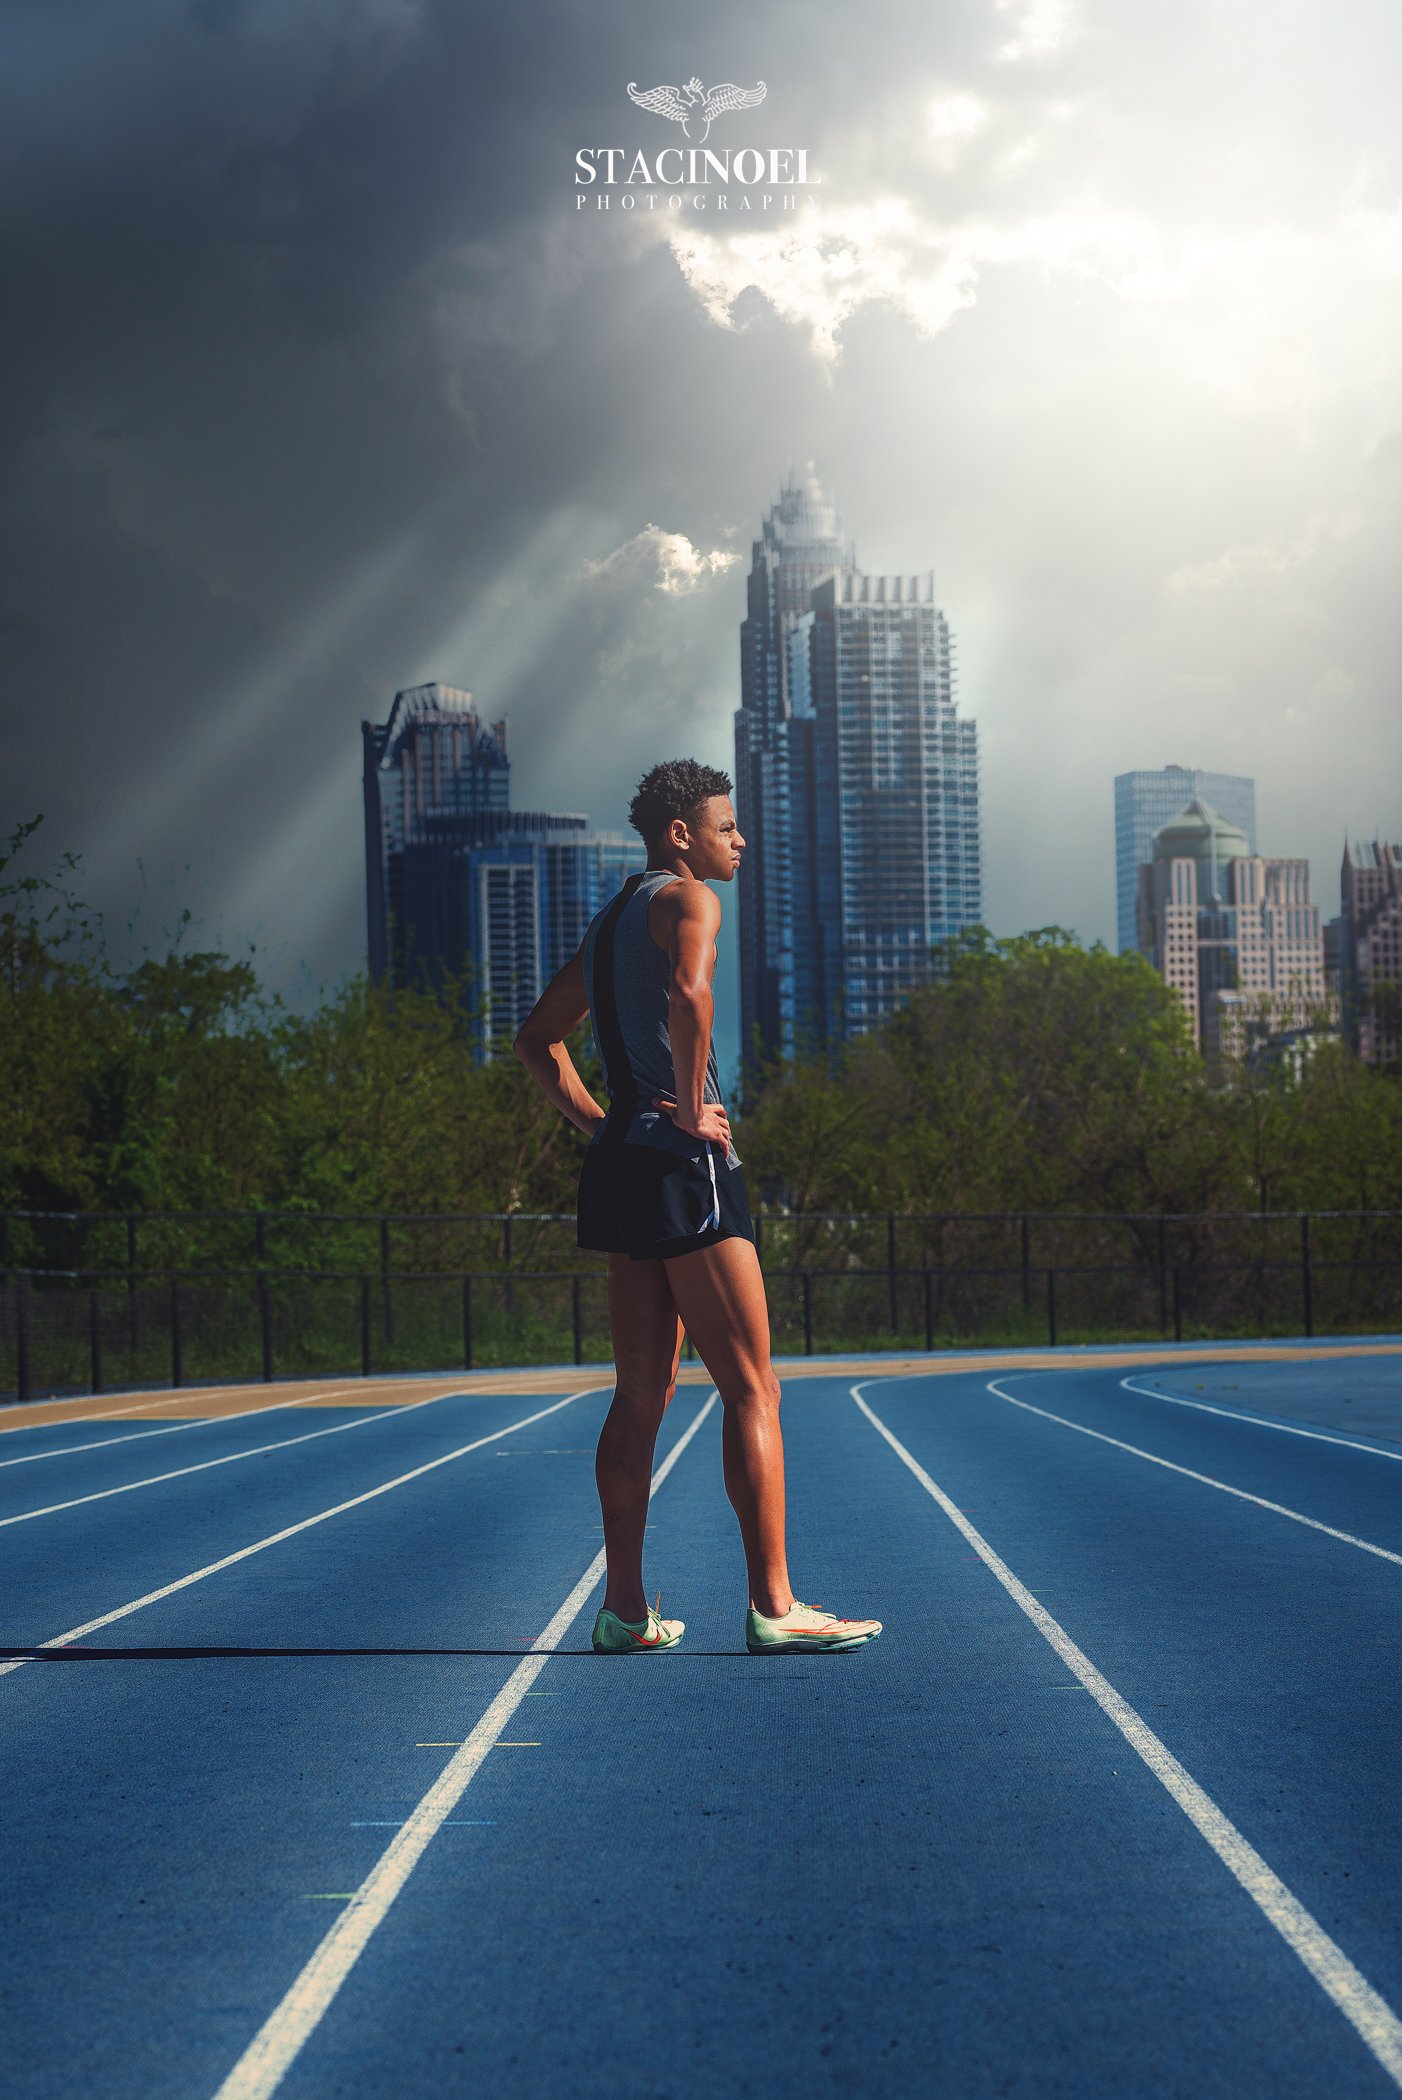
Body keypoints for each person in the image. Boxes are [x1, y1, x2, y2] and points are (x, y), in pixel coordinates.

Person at [513, 757, 882, 1658]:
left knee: (640, 1395)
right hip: (684, 1163)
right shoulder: (688, 902)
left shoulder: (605, 925)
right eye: (726, 826)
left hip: (623, 1164)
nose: (739, 840)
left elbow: (537, 1039)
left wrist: (612, 1123)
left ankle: (627, 1611)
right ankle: (775, 1604)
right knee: (753, 1385)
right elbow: (689, 993)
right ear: (681, 835)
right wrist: (682, 1109)